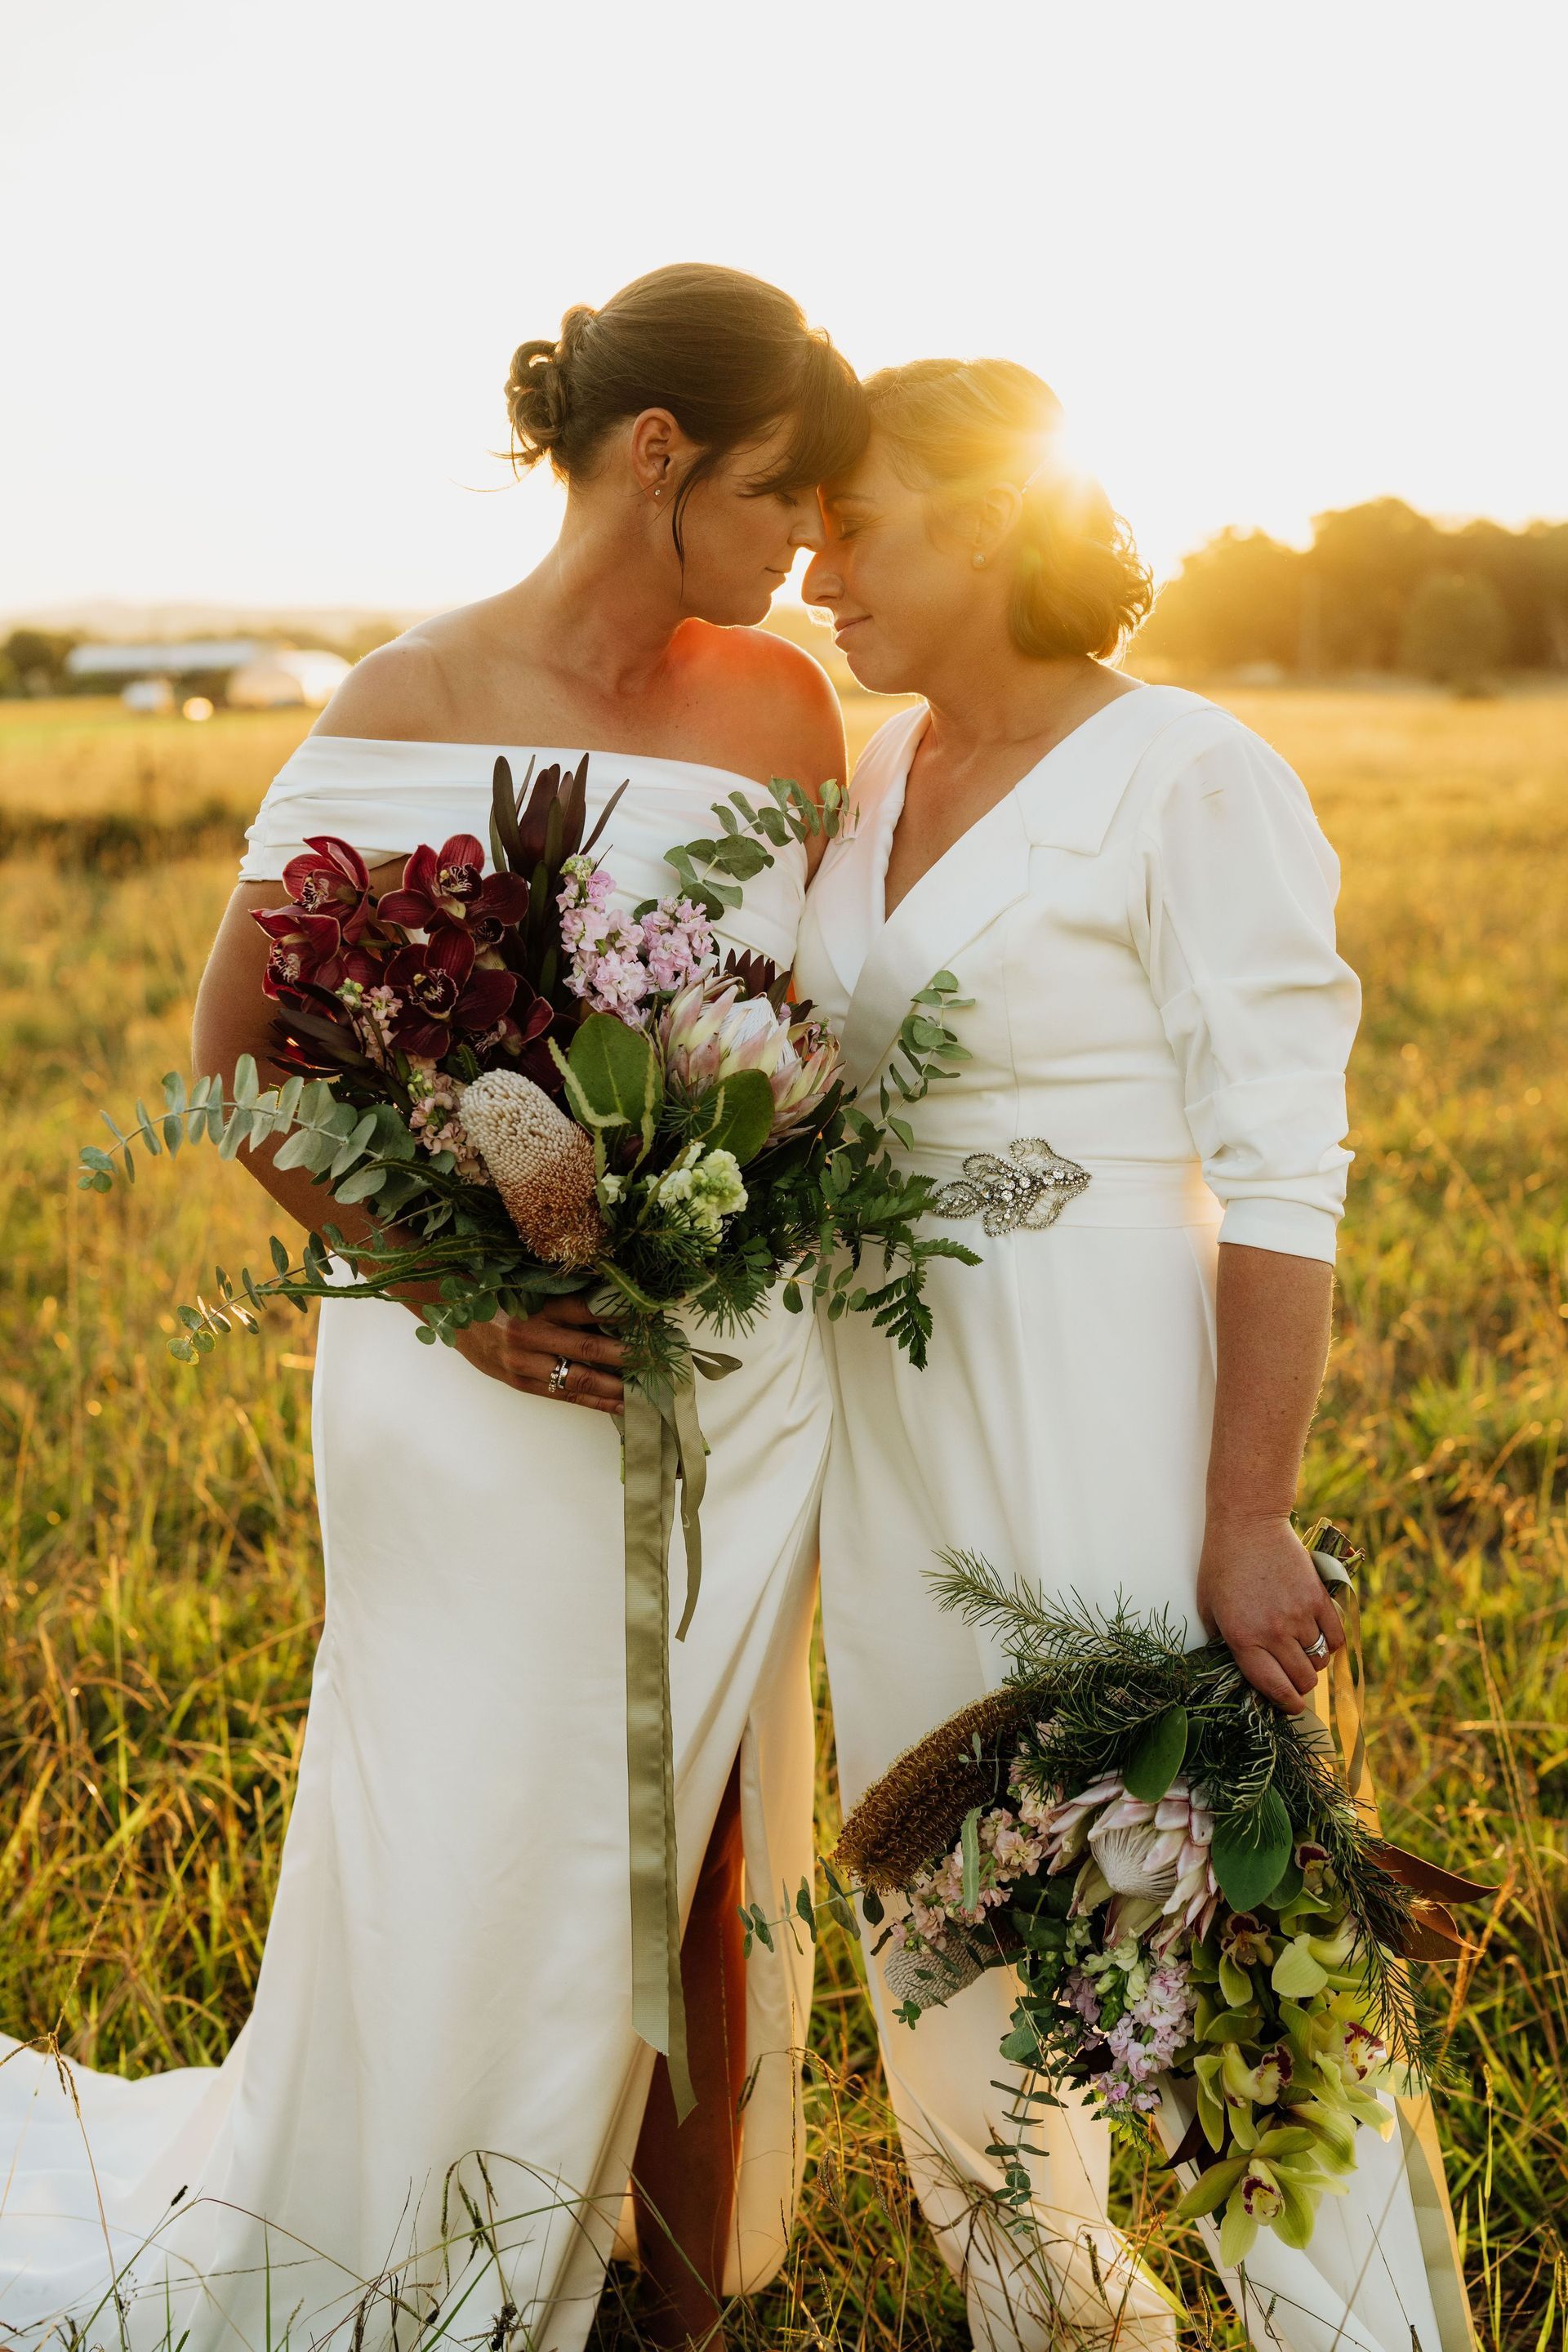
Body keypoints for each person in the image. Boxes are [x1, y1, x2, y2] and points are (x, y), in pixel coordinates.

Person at [0, 265, 863, 2352]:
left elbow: (825, 1024)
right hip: (463, 1372)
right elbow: (241, 1061)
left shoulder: (785, 705)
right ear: (656, 458)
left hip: (722, 1361)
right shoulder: (397, 707)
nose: (804, 554)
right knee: (484, 1819)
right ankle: (426, 2219)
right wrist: (459, 1292)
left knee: (706, 1831)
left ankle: (673, 2295)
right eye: (777, 501)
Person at [796, 359, 1455, 2350]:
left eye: (862, 523)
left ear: (991, 521)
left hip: (1109, 1411)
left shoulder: (1189, 773)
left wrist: (1246, 1511)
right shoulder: (877, 774)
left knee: (1207, 1941)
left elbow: (1282, 1168)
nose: (820, 567)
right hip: (886, 1423)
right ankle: (1054, 2314)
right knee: (944, 1929)